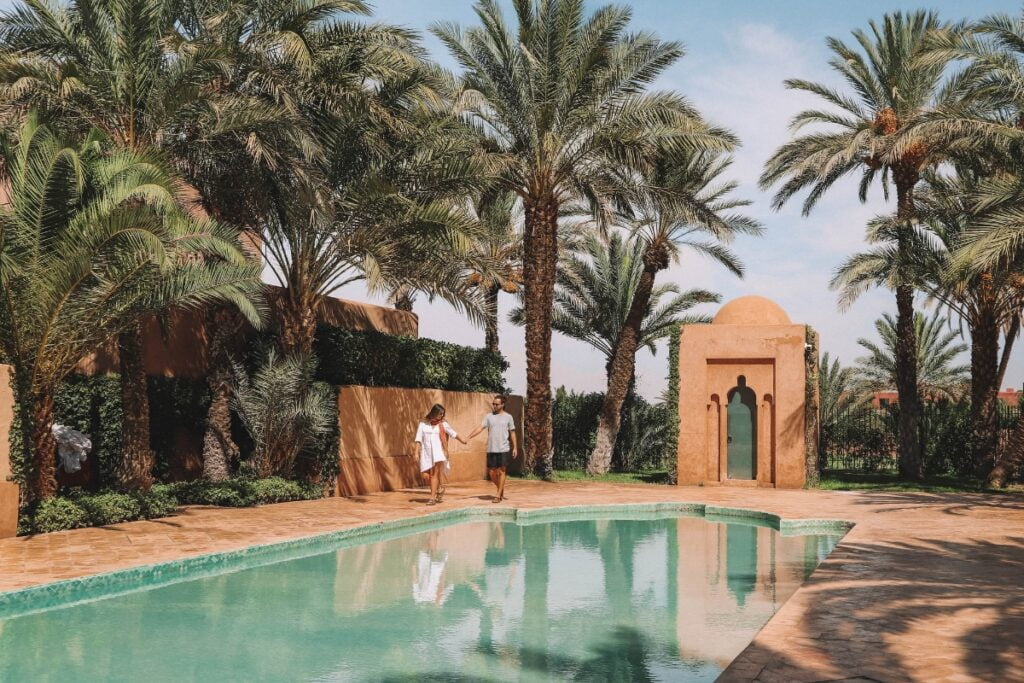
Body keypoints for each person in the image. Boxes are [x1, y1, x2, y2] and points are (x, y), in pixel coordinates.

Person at [468, 395, 518, 502]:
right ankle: (500, 487)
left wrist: (515, 448)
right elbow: (480, 428)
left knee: (502, 471)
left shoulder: (508, 417)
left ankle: (498, 495)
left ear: (502, 405)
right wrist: (469, 436)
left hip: (503, 448)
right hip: (491, 448)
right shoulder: (488, 416)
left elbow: (512, 433)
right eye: (493, 404)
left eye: (496, 404)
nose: (494, 406)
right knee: (491, 473)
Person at [414, 403, 466, 505]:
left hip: (438, 453)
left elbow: (453, 433)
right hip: (426, 453)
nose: (441, 416)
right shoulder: (423, 423)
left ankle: (432, 498)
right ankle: (438, 490)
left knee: (434, 474)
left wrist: (463, 440)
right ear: (434, 412)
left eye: (443, 414)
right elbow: (418, 438)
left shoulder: (443, 424)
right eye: (440, 413)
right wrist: (416, 452)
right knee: (425, 475)